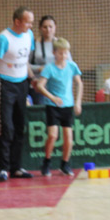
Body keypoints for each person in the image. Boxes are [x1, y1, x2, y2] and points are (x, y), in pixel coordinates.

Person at [0, 7, 36, 181]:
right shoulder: (3, 38)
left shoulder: (29, 36)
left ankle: (16, 167)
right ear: (17, 22)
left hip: (22, 84)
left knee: (20, 127)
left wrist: (32, 78)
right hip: (5, 85)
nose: (31, 25)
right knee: (6, 128)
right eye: (28, 22)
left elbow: (24, 60)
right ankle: (3, 168)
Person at [34, 38, 83, 177]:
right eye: (60, 53)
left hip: (67, 105)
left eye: (65, 53)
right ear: (54, 53)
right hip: (53, 106)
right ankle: (47, 162)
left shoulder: (72, 66)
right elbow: (40, 86)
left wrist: (78, 102)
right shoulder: (49, 68)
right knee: (52, 135)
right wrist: (52, 98)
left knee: (68, 138)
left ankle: (65, 164)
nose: (63, 56)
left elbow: (79, 83)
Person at [27, 15, 58, 105]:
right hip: (38, 86)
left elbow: (68, 64)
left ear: (55, 27)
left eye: (50, 27)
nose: (48, 30)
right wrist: (39, 68)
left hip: (56, 85)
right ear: (40, 28)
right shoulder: (33, 44)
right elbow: (25, 64)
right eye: (45, 27)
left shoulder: (60, 44)